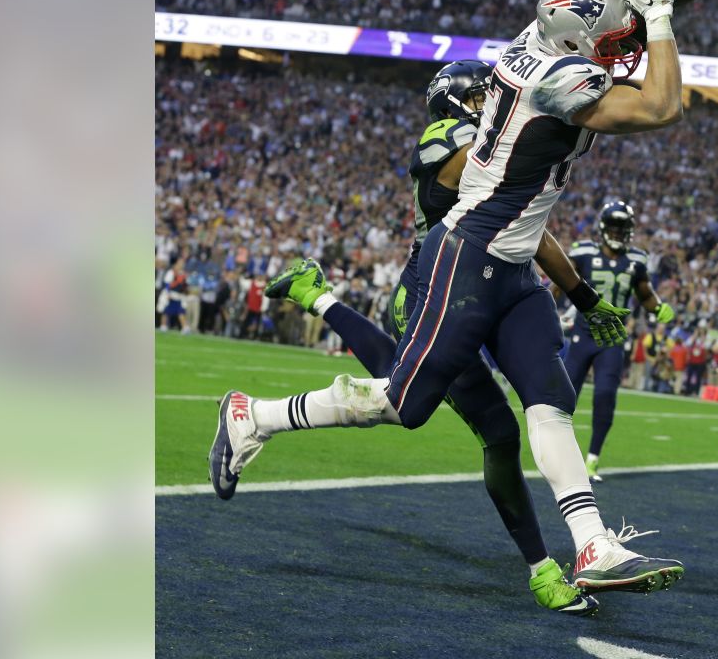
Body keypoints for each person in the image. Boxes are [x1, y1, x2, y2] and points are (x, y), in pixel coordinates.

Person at [214, 0, 693, 597]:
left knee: (548, 400)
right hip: (466, 255)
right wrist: (659, 17)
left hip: (515, 267)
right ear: (577, 38)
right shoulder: (555, 77)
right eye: (611, 40)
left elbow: (587, 18)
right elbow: (663, 106)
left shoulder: (543, 39)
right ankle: (257, 415)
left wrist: (631, 2)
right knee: (404, 405)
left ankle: (593, 545)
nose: (621, 48)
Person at [262, 60, 628, 615]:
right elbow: (477, 166)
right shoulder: (448, 136)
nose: (495, 100)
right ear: (456, 101)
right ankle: (273, 391)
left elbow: (531, 226)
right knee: (422, 405)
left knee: (525, 411)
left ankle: (567, 557)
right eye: (484, 94)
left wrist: (583, 296)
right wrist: (542, 120)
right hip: (435, 287)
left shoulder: (499, 152)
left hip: (496, 283)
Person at [554, 202, 674, 482]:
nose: (619, 234)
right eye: (615, 228)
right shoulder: (583, 252)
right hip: (583, 334)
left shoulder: (636, 259)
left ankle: (592, 460)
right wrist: (547, 306)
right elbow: (559, 282)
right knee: (564, 397)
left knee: (605, 395)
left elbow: (645, 293)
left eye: (624, 230)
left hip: (613, 339)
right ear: (604, 228)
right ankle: (559, 455)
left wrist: (658, 307)